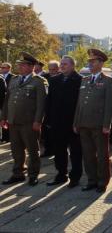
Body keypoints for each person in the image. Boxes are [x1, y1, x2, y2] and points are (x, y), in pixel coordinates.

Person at [0, 52, 48, 186]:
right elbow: (7, 100)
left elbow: (41, 104)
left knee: (32, 150)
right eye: (19, 65)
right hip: (13, 121)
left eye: (23, 65)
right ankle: (17, 173)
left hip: (29, 122)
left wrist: (38, 121)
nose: (20, 67)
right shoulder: (14, 80)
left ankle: (33, 175)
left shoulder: (39, 82)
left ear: (31, 66)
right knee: (16, 150)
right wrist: (3, 117)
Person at [73, 49, 112, 193]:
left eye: (93, 61)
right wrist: (76, 122)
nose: (90, 64)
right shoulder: (84, 80)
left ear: (100, 62)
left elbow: (110, 105)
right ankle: (91, 180)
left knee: (102, 155)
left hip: (99, 125)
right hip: (84, 124)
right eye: (89, 61)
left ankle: (102, 181)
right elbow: (80, 103)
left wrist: (106, 124)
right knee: (87, 154)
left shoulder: (108, 81)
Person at [45, 56, 83, 188]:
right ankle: (61, 174)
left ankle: (75, 176)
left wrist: (79, 122)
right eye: (61, 64)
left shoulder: (80, 80)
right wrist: (48, 119)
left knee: (76, 151)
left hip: (73, 122)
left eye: (65, 64)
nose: (62, 66)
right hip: (57, 122)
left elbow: (81, 104)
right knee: (59, 150)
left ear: (73, 65)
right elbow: (49, 101)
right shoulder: (54, 80)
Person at [40, 60, 61, 158]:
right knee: (46, 130)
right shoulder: (44, 77)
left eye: (54, 69)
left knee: (57, 131)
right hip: (47, 107)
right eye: (50, 69)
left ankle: (58, 150)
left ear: (58, 69)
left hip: (58, 108)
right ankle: (48, 150)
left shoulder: (62, 77)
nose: (52, 72)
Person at [1, 62, 17, 142]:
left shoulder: (13, 77)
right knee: (3, 119)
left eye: (4, 67)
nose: (2, 69)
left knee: (7, 119)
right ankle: (3, 137)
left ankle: (8, 137)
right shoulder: (1, 76)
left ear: (8, 68)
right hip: (2, 101)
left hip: (9, 100)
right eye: (1, 67)